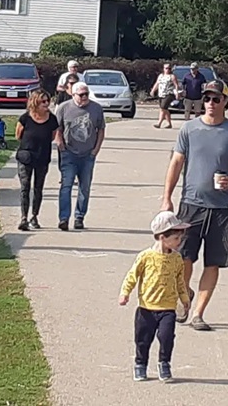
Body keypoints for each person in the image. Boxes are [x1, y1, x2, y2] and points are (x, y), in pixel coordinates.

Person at [160, 80, 228, 331]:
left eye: (216, 99)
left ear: (225, 102)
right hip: (192, 205)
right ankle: (184, 296)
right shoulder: (189, 129)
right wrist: (167, 197)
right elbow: (176, 163)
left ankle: (198, 314)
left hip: (221, 209)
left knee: (213, 262)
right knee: (185, 258)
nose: (210, 103)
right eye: (207, 98)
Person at [118, 211, 192, 382]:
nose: (179, 242)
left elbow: (180, 281)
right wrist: (125, 293)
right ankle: (140, 364)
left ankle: (164, 363)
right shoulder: (146, 257)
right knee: (142, 339)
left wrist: (184, 298)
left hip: (168, 308)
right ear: (161, 237)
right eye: (175, 239)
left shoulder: (176, 259)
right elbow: (132, 275)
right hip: (147, 308)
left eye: (180, 238)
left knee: (167, 337)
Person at [54, 82, 106, 231]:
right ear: (73, 94)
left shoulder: (96, 108)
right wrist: (61, 146)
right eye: (81, 95)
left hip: (87, 154)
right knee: (66, 186)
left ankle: (79, 217)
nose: (84, 97)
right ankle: (64, 218)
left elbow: (101, 130)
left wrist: (95, 150)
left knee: (85, 187)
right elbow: (57, 128)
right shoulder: (64, 107)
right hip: (69, 154)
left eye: (87, 94)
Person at [15, 90, 58, 231]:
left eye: (47, 101)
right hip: (26, 156)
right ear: (35, 102)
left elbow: (52, 136)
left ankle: (34, 216)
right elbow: (18, 135)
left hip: (42, 157)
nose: (46, 104)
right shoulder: (25, 118)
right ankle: (23, 217)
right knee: (25, 186)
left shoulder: (52, 119)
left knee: (38, 188)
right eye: (43, 101)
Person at [150, 63, 180, 129]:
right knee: (164, 109)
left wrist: (177, 93)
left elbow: (176, 85)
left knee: (163, 108)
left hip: (169, 94)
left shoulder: (172, 76)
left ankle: (159, 123)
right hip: (161, 94)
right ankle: (169, 124)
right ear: (163, 69)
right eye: (166, 68)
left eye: (169, 68)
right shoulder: (161, 76)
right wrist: (153, 91)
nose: (168, 70)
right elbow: (157, 83)